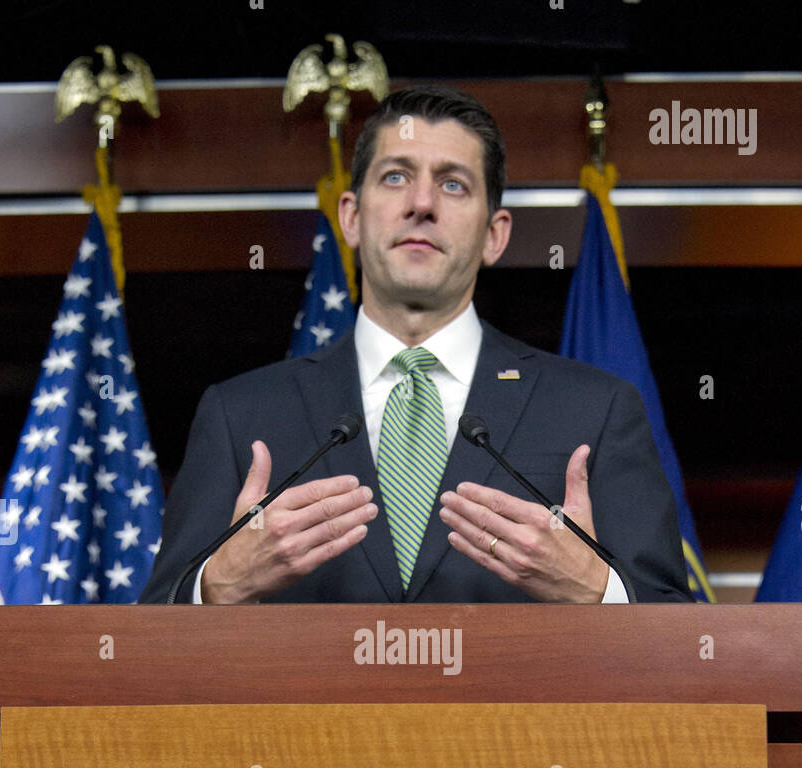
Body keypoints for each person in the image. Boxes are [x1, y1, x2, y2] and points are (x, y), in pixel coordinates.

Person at [140, 85, 692, 605]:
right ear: (351, 218)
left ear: (495, 234)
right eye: (396, 177)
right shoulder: (240, 414)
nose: (422, 203)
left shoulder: (596, 409)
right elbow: (147, 647)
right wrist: (217, 587)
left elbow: (683, 641)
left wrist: (598, 591)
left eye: (453, 184)